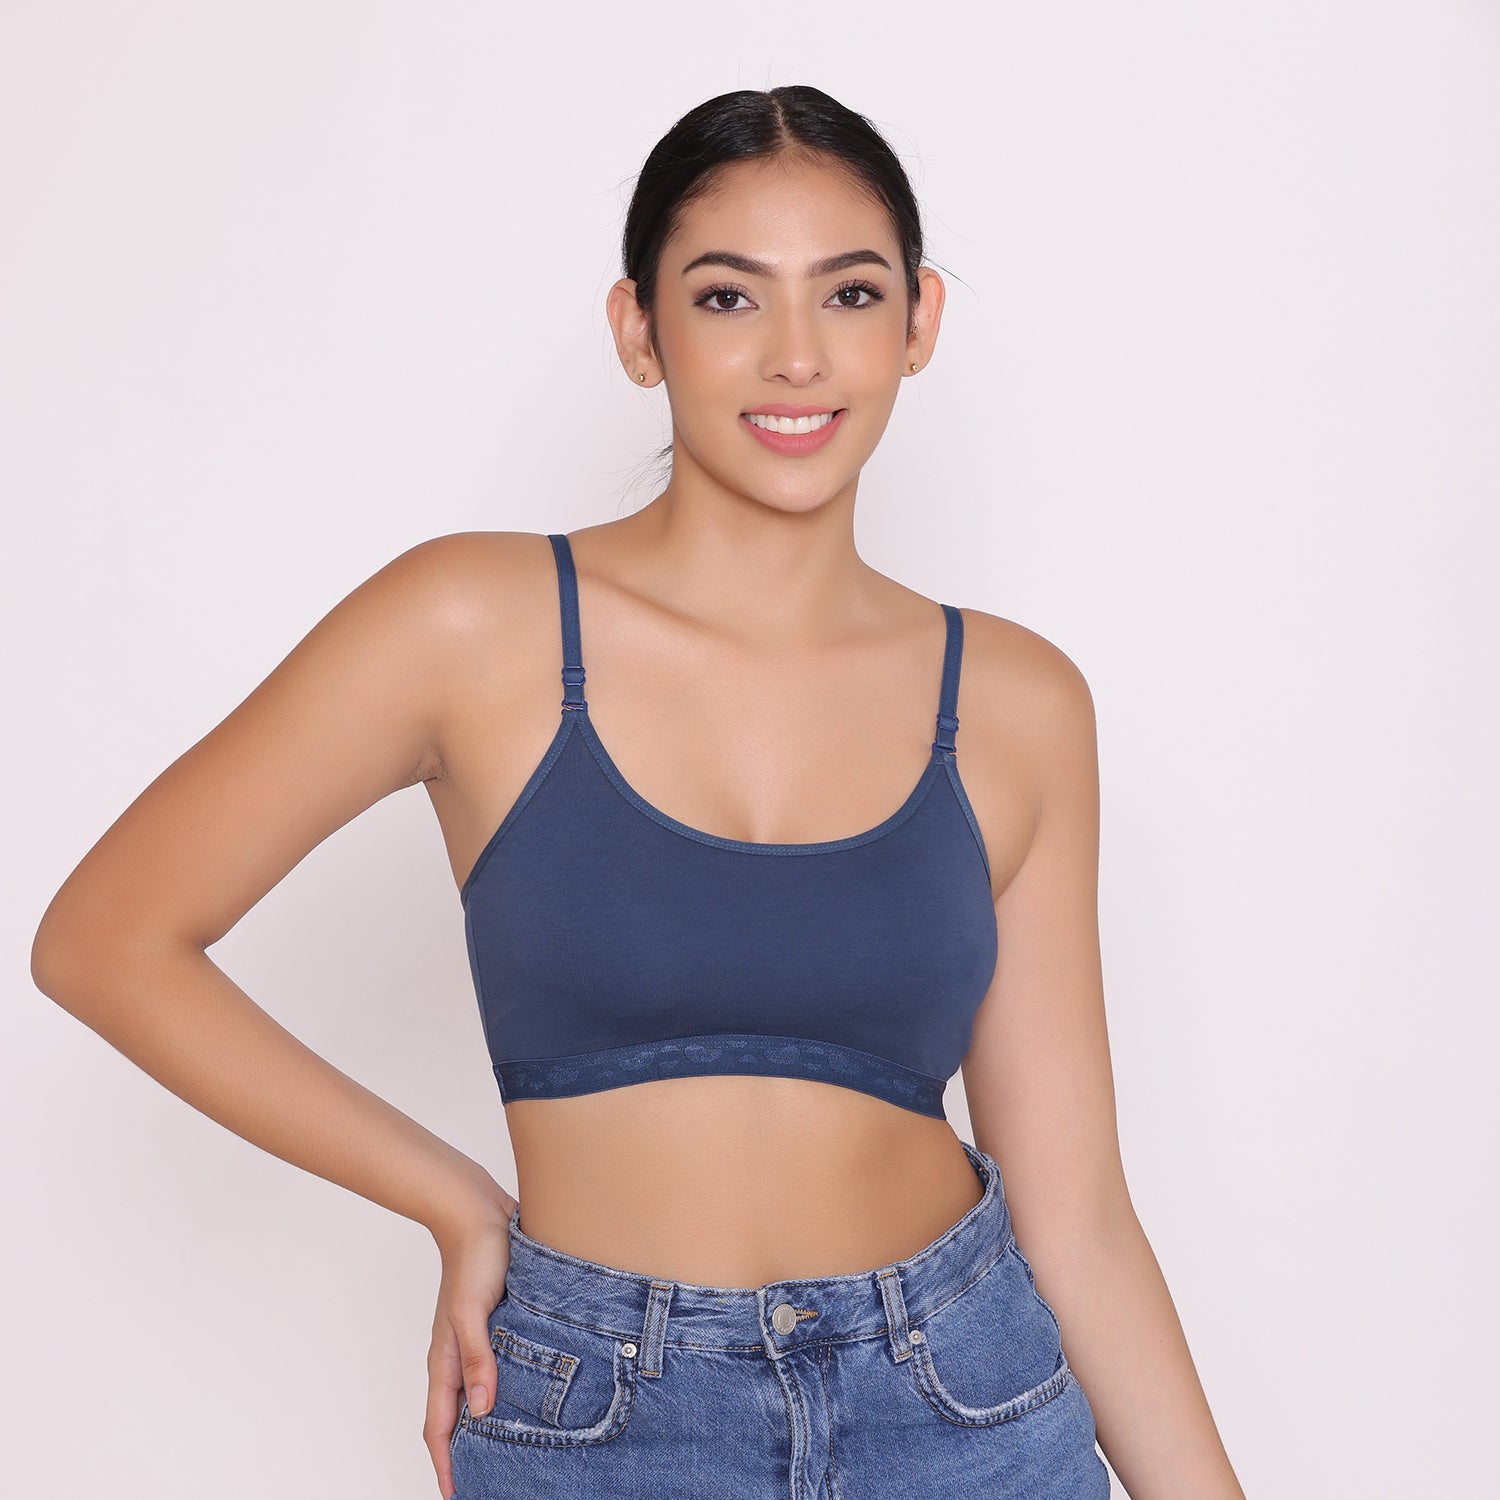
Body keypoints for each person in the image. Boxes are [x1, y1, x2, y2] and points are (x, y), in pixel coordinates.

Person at [30, 85, 1245, 1499]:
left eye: (850, 293)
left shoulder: (1019, 702)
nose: (796, 355)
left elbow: (1079, 1221)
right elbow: (105, 942)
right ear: (637, 331)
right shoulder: (470, 624)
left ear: (918, 323)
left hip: (961, 1400)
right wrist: (451, 1201)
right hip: (602, 1415)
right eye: (729, 297)